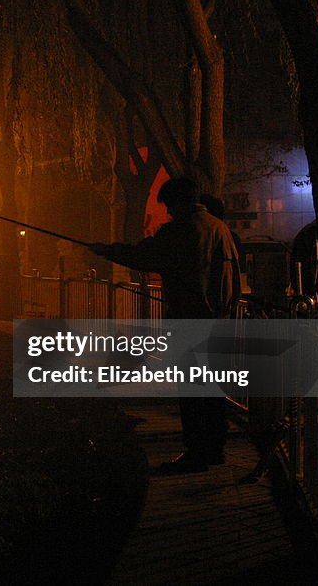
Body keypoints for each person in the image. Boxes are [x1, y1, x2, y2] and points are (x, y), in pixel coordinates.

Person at [90, 177, 241, 473]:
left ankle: (196, 452)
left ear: (177, 202)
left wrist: (108, 251)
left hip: (190, 319)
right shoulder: (219, 228)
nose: (168, 213)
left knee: (192, 390)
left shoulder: (182, 230)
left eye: (169, 207)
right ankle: (215, 449)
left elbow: (145, 255)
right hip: (221, 321)